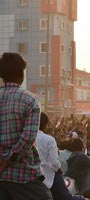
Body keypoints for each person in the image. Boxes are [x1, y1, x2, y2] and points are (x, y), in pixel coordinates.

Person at [0, 52, 52, 199]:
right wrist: (6, 160)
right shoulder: (30, 100)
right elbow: (28, 138)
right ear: (21, 74)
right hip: (23, 175)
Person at [36, 112, 85, 200]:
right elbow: (54, 162)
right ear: (46, 125)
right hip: (49, 175)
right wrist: (59, 169)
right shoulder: (49, 139)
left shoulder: (27, 137)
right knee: (66, 197)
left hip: (32, 176)